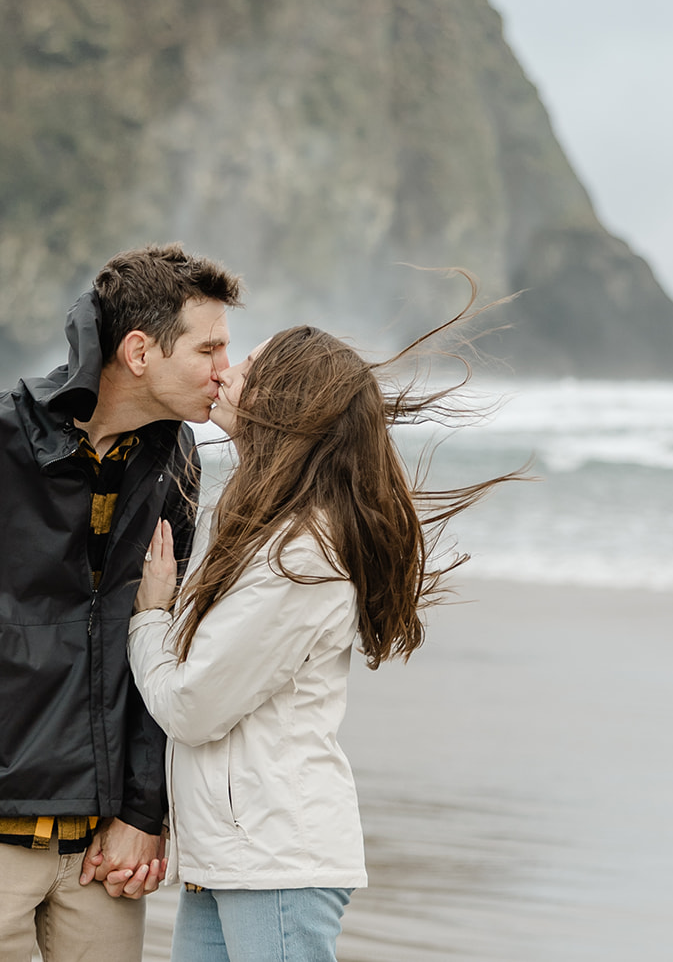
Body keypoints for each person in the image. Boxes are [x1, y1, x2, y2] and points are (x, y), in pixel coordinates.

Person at [0, 243, 242, 961]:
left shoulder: (174, 457)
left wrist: (142, 810)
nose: (226, 369)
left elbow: (165, 639)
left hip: (106, 848)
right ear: (139, 350)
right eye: (209, 347)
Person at [126, 299, 522, 962]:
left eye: (246, 365)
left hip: (277, 860)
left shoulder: (303, 555)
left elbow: (192, 706)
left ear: (283, 399)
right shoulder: (261, 524)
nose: (224, 371)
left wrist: (149, 614)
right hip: (231, 855)